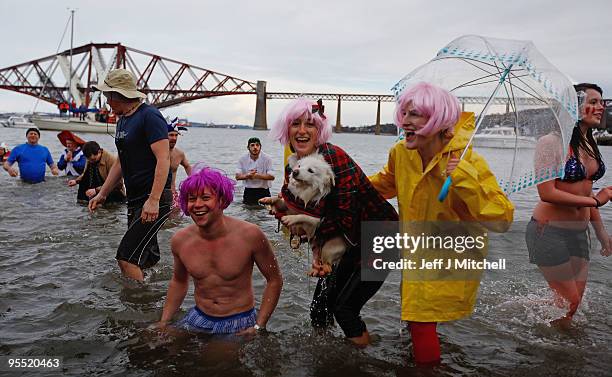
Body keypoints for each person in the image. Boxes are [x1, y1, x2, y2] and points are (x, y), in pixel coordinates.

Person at [369, 82, 514, 364]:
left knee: (420, 322)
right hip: (415, 252)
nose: (405, 122)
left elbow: (502, 218)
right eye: (405, 114)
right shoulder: (401, 153)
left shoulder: (468, 160)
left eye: (415, 115)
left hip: (451, 254)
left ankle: (427, 369)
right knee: (415, 319)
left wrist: (466, 178)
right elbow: (382, 185)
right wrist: (330, 187)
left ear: (438, 122)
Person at [262, 98, 398, 346]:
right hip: (348, 240)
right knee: (320, 309)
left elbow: (342, 218)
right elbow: (294, 206)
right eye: (295, 124)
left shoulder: (334, 158)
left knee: (345, 309)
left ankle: (363, 362)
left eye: (310, 125)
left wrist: (316, 245)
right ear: (287, 129)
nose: (302, 131)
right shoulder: (295, 164)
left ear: (320, 131)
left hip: (382, 236)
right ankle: (328, 357)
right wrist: (282, 212)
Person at [526, 83, 612, 326]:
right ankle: (554, 353)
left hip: (579, 234)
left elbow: (585, 189)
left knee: (573, 302)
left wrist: (602, 233)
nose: (600, 107)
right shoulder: (551, 142)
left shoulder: (589, 144)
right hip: (548, 232)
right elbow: (547, 193)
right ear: (573, 107)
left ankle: (533, 316)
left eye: (601, 102)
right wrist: (596, 199)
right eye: (593, 102)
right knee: (570, 302)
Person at [158, 167, 282, 335]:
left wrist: (259, 326)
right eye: (192, 199)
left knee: (214, 358)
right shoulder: (180, 240)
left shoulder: (250, 235)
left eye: (206, 198)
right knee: (156, 345)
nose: (198, 205)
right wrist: (164, 322)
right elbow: (179, 282)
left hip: (238, 320)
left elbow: (274, 280)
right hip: (198, 317)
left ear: (222, 201)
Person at [88, 69, 172, 282]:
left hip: (154, 199)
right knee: (145, 257)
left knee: (126, 258)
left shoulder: (149, 116)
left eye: (108, 96)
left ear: (119, 95)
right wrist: (103, 193)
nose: (107, 102)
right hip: (135, 199)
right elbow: (121, 162)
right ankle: (155, 297)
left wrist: (153, 201)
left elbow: (164, 159)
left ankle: (138, 309)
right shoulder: (123, 119)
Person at [235, 137, 274, 205]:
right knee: (247, 213)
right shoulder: (242, 159)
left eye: (257, 145)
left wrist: (257, 175)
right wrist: (248, 175)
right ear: (248, 147)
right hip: (249, 191)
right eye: (252, 145)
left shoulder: (267, 158)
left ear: (260, 147)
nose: (255, 147)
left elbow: (272, 177)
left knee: (265, 214)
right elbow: (237, 176)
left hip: (264, 191)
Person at [168, 122, 192, 194]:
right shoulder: (155, 152)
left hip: (172, 193)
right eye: (171, 135)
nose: (174, 138)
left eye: (176, 135)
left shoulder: (179, 154)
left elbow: (187, 166)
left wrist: (195, 182)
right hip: (154, 193)